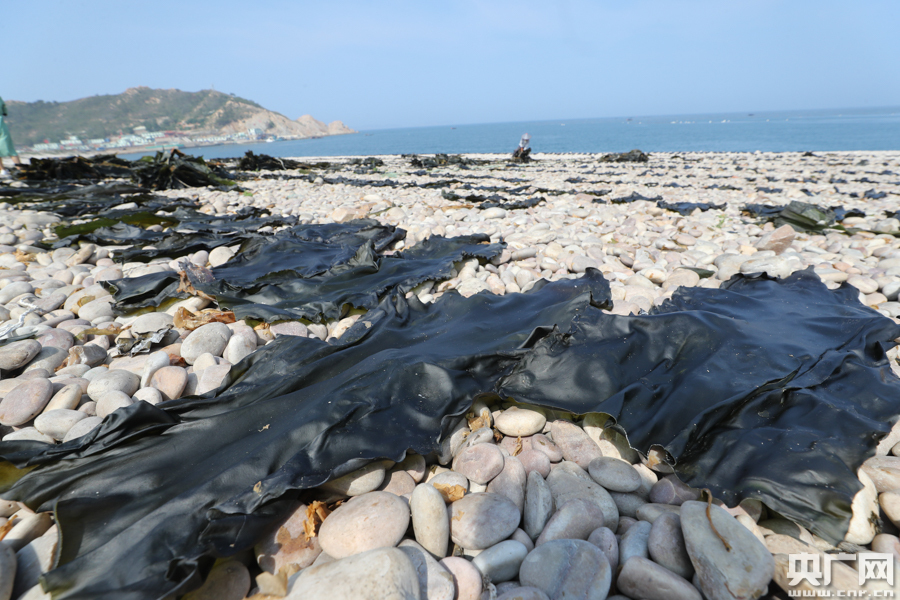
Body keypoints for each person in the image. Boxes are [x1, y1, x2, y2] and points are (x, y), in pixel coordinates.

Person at [0, 94, 22, 178]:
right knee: (10, 149)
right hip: (1, 124)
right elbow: (4, 110)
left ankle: (2, 170)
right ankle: (20, 168)